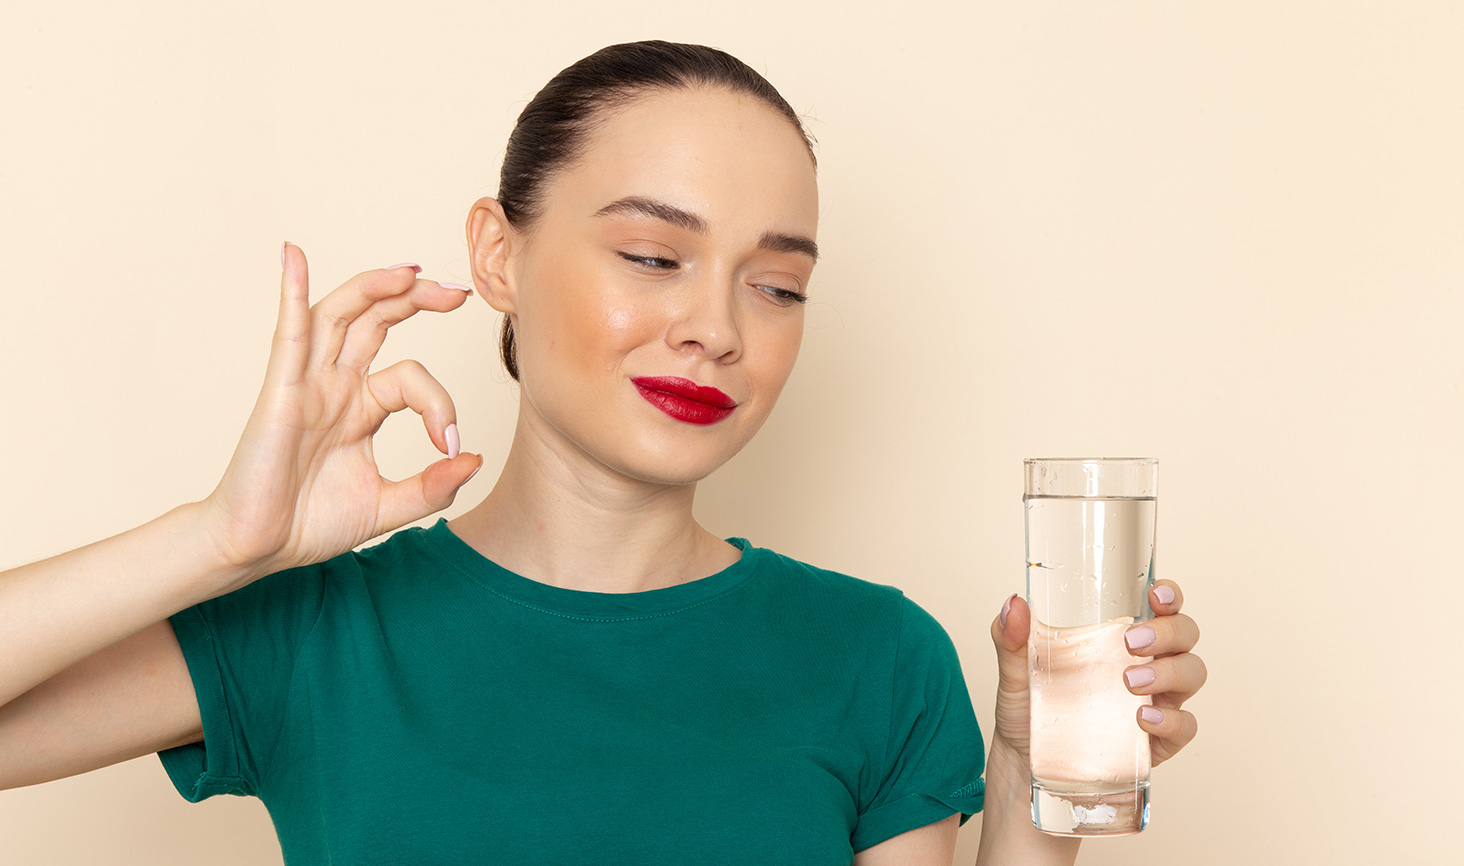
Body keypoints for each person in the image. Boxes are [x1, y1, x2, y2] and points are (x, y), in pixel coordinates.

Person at [0, 41, 1205, 864]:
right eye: (651, 255)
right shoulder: (318, 630)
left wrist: (1035, 783)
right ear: (500, 255)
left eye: (777, 284)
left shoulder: (874, 657)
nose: (718, 328)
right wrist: (222, 537)